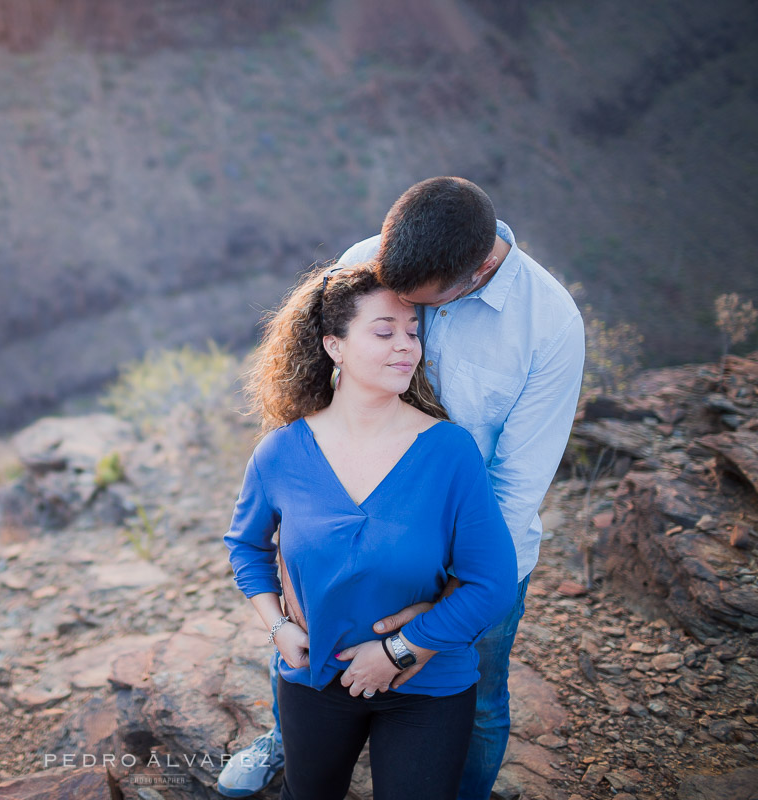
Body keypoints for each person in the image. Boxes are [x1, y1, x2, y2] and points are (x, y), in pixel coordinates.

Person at [217, 177, 585, 799]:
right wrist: (301, 541)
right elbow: (315, 396)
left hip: (471, 555)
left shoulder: (548, 326)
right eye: (392, 323)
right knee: (309, 672)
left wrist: (433, 614)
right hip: (353, 524)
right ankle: (295, 739)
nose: (407, 348)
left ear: (475, 274)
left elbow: (515, 486)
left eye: (416, 322)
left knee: (484, 705)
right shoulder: (370, 260)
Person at [224, 263, 517, 800]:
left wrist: (403, 649)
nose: (406, 346)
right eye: (384, 332)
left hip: (425, 683)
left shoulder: (449, 452)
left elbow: (492, 583)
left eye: (413, 332)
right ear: (334, 345)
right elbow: (245, 546)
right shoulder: (281, 453)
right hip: (315, 679)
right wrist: (277, 628)